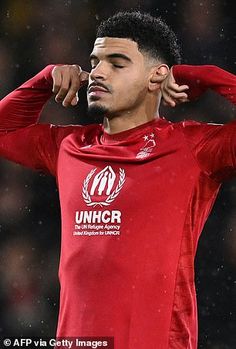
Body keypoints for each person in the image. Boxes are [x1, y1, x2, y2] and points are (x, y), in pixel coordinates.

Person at [0, 10, 235, 349]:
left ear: (157, 77)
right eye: (95, 62)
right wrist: (45, 79)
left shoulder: (192, 147)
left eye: (117, 63)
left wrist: (205, 76)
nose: (97, 72)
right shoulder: (69, 145)